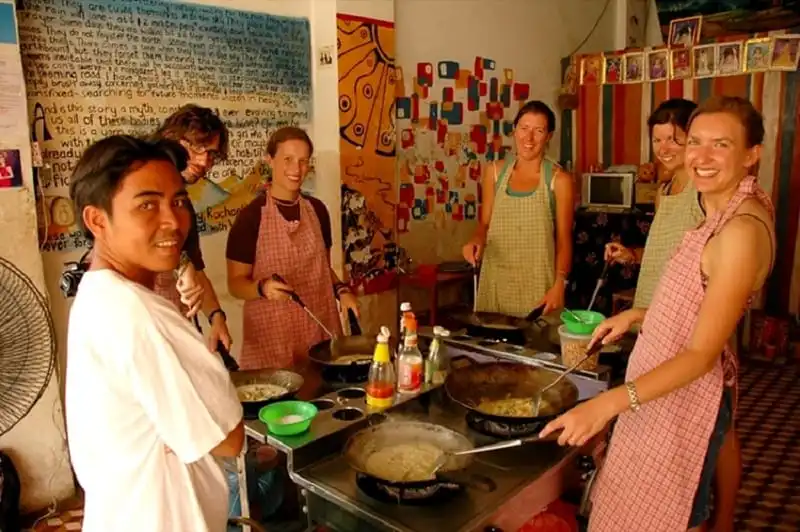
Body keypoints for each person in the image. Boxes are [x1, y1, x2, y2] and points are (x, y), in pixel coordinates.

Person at [541, 96, 775, 531]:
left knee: (676, 510)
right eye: (697, 142)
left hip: (686, 395)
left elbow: (701, 355)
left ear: (751, 154)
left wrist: (606, 406)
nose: (701, 157)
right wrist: (637, 315)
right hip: (661, 383)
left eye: (720, 144)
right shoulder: (721, 208)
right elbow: (697, 297)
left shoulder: (741, 232)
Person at [65, 135, 244, 531]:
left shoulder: (96, 294)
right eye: (147, 205)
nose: (173, 220)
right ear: (97, 220)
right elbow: (229, 438)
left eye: (179, 201)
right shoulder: (138, 312)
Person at [604, 98, 740, 531]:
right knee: (686, 431)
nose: (664, 147)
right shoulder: (667, 190)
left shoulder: (707, 195)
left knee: (718, 431)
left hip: (697, 326)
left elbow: (719, 261)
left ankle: (721, 517)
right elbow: (671, 251)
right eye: (658, 138)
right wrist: (633, 254)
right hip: (657, 319)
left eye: (674, 138)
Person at [226, 126, 359, 370]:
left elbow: (323, 268)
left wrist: (342, 290)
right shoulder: (251, 217)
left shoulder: (317, 210)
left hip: (319, 323)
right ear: (270, 160)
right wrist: (261, 288)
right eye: (287, 159)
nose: (296, 169)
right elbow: (235, 284)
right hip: (273, 333)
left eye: (303, 161)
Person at [462, 100, 574, 317]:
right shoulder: (494, 172)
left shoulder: (559, 180)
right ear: (514, 131)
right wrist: (475, 241)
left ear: (549, 136)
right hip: (496, 279)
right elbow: (484, 224)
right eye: (524, 128)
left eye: (538, 130)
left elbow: (563, 239)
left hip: (538, 282)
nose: (529, 138)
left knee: (535, 347)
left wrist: (560, 282)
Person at [151, 104, 233, 351]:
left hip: (177, 330)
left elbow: (197, 271)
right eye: (197, 147)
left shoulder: (184, 205)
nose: (204, 161)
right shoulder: (137, 188)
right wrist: (183, 263)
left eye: (211, 154)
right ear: (171, 139)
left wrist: (216, 316)